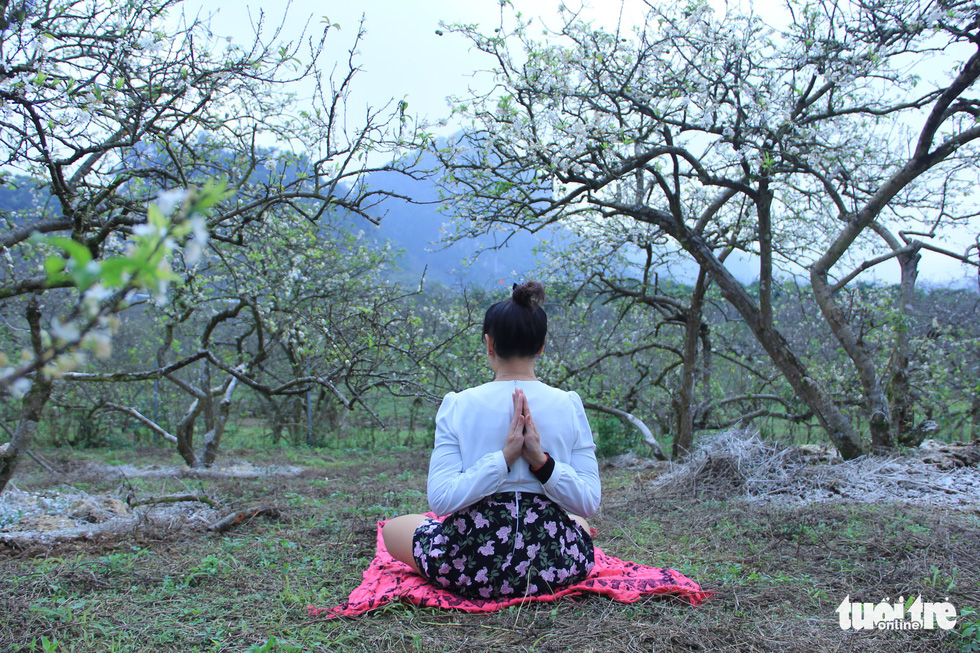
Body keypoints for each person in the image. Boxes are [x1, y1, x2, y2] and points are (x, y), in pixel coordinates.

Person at [382, 281, 601, 600]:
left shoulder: (459, 404)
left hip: (468, 566)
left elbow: (441, 502)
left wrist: (502, 461)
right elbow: (589, 503)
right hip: (553, 567)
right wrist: (541, 464)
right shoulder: (568, 404)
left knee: (393, 529)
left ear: (489, 344)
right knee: (578, 519)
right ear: (541, 346)